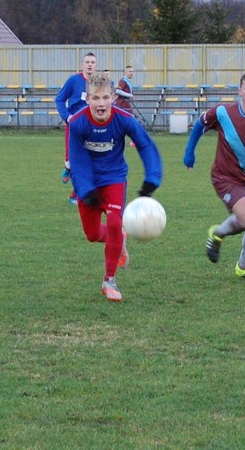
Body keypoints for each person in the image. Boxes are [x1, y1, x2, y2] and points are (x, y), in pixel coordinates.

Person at [68, 72, 162, 302]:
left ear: (113, 97)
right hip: (89, 181)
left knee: (113, 222)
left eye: (105, 98)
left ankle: (109, 280)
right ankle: (120, 238)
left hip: (114, 178)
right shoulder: (77, 123)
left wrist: (152, 178)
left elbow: (146, 145)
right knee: (92, 234)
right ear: (87, 99)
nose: (101, 104)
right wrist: (85, 188)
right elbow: (77, 160)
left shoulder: (124, 119)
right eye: (96, 98)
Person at [183, 71, 245, 282]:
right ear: (240, 91)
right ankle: (217, 233)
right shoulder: (223, 112)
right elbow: (200, 124)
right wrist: (189, 152)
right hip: (224, 176)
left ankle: (243, 268)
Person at [55, 52, 97, 204]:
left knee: (89, 160)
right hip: (74, 126)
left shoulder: (98, 83)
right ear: (82, 64)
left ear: (96, 65)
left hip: (92, 127)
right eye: (87, 62)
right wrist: (67, 117)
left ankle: (76, 194)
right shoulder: (73, 81)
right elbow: (59, 99)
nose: (90, 64)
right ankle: (67, 167)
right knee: (72, 161)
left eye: (92, 62)